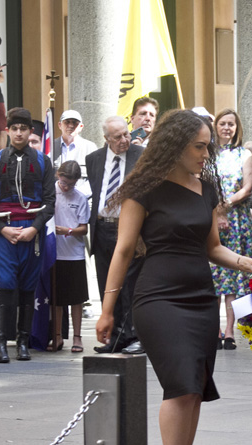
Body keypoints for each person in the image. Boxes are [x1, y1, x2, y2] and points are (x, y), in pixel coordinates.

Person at [96, 109, 252, 445]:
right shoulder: (144, 188)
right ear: (175, 144)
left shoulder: (205, 187)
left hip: (200, 295)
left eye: (208, 146)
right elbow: (123, 249)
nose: (207, 153)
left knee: (195, 390)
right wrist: (108, 309)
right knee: (181, 383)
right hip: (158, 297)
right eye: (200, 146)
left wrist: (247, 262)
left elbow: (212, 248)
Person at [0, 107, 55, 363]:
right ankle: (1, 344)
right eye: (14, 128)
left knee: (27, 288)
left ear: (30, 131)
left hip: (32, 232)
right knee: (5, 286)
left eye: (23, 129)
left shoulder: (43, 161)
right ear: (8, 130)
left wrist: (34, 228)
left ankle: (22, 343)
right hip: (4, 231)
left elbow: (49, 201)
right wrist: (2, 229)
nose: (19, 133)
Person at [86, 116, 145, 354]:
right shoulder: (94, 160)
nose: (124, 140)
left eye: (126, 134)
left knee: (130, 283)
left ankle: (134, 335)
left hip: (129, 228)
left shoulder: (140, 156)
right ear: (106, 139)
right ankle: (114, 336)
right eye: (118, 137)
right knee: (106, 283)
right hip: (102, 227)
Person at [211, 109, 252, 350]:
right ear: (215, 126)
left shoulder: (244, 153)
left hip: (236, 219)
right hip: (211, 219)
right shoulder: (207, 153)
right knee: (215, 276)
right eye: (223, 123)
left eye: (231, 124)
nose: (227, 128)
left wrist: (226, 206)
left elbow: (247, 187)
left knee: (234, 275)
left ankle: (230, 331)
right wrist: (216, 212)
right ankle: (214, 330)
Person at [50, 161, 89, 353]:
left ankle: (77, 336)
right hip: (54, 252)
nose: (66, 187)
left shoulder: (80, 198)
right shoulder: (49, 193)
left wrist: (68, 231)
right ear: (58, 175)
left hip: (74, 254)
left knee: (76, 298)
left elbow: (83, 228)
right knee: (56, 299)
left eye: (71, 185)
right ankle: (56, 335)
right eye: (64, 182)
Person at [53, 110, 97, 178]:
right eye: (67, 122)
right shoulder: (50, 147)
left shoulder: (90, 148)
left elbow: (96, 175)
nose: (71, 125)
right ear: (60, 125)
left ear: (81, 127)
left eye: (75, 123)